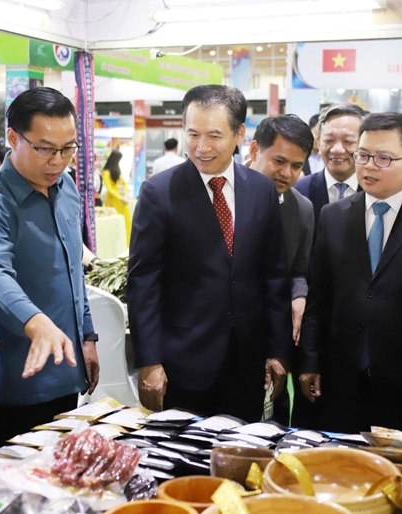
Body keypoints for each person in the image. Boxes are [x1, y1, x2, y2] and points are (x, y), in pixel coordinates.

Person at [127, 85, 291, 422]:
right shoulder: (159, 193)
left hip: (247, 359)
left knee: (240, 457)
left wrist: (278, 351)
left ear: (239, 134)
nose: (201, 147)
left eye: (214, 135)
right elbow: (144, 282)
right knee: (183, 462)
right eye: (193, 134)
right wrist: (150, 360)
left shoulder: (260, 190)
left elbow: (274, 275)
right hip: (182, 361)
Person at [0, 87, 99, 448]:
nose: (58, 161)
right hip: (17, 380)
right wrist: (36, 323)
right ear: (13, 138)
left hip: (68, 372)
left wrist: (87, 336)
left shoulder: (67, 188)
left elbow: (74, 272)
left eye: (68, 148)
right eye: (45, 148)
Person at [298, 113, 402, 432]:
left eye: (384, 158)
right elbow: (318, 298)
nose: (369, 166)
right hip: (340, 377)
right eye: (362, 155)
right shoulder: (332, 216)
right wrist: (310, 361)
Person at [247, 114, 314, 424]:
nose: (286, 173)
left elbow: (298, 269)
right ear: (254, 150)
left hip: (272, 341)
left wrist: (299, 294)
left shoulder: (302, 209)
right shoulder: (222, 195)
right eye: (279, 161)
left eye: (297, 166)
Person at [294, 104, 366, 229]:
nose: (337, 149)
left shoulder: (376, 192)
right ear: (318, 142)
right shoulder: (298, 192)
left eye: (348, 141)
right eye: (329, 140)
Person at [102, 151, 131, 245]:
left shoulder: (118, 171)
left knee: (126, 222)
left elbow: (124, 183)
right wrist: (120, 198)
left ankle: (126, 245)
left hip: (123, 202)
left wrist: (125, 195)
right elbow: (109, 189)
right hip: (112, 202)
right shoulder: (106, 173)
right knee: (114, 224)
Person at [302, 113, 323, 177]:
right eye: (317, 133)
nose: (319, 138)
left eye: (323, 134)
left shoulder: (331, 157)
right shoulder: (301, 154)